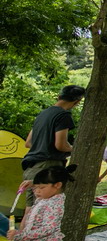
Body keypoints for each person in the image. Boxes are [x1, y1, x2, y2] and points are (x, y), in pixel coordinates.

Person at [19, 85, 85, 215]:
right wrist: (74, 149)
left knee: (30, 209)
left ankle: (22, 235)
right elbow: (60, 145)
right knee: (44, 211)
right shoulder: (63, 115)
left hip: (31, 167)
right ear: (77, 102)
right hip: (47, 167)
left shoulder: (42, 114)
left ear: (59, 96)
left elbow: (28, 143)